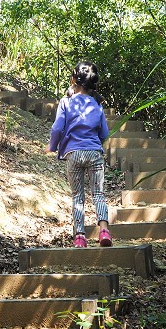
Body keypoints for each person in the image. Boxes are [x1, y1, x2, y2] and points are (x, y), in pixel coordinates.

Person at [46, 61, 112, 248]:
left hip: (74, 154)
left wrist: (52, 146)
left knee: (78, 196)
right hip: (94, 154)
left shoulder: (66, 102)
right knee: (98, 193)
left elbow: (57, 128)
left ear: (73, 79)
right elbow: (104, 134)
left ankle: (80, 237)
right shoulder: (97, 105)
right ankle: (104, 231)